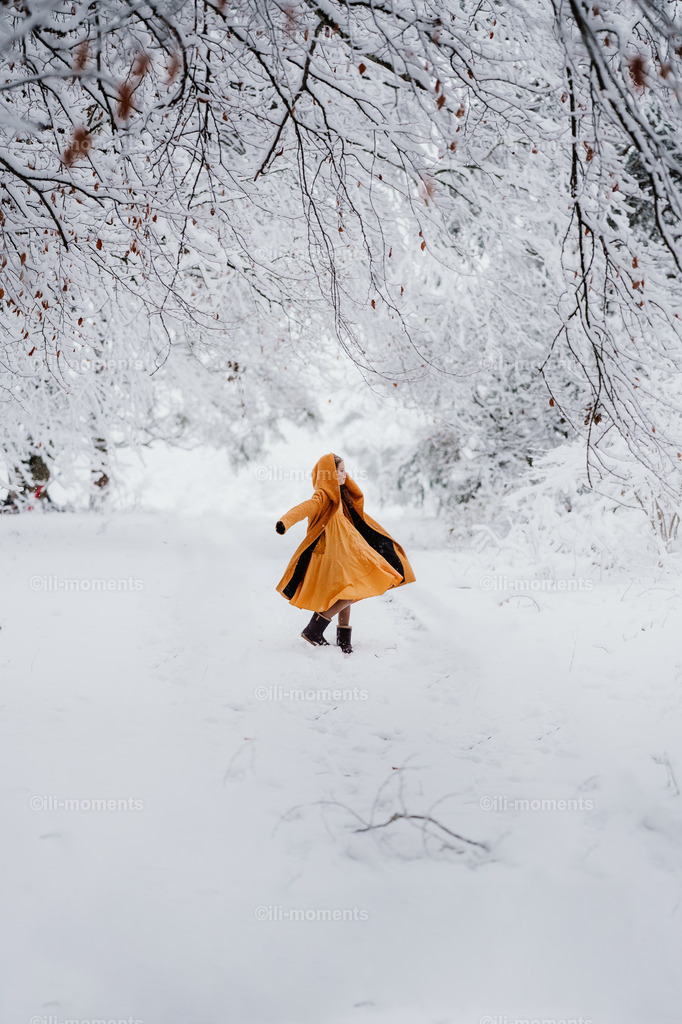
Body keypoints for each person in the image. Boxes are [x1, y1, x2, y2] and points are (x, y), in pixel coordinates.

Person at [275, 453, 415, 654]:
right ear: (330, 474)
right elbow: (304, 508)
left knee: (347, 590)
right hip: (331, 554)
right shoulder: (323, 496)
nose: (344, 474)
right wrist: (285, 522)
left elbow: (355, 498)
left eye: (344, 470)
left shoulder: (341, 497)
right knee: (351, 590)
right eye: (340, 471)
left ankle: (343, 639)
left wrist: (343, 480)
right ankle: (314, 629)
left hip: (344, 552)